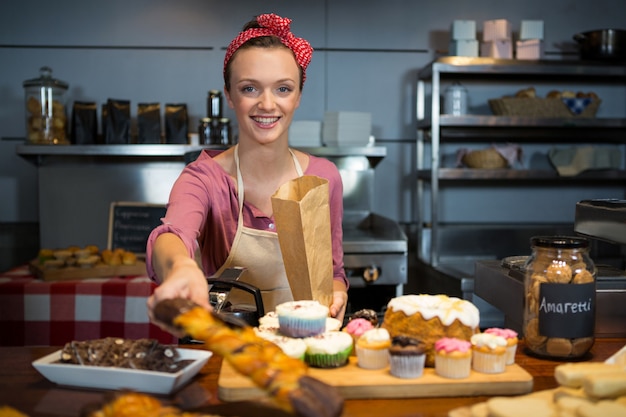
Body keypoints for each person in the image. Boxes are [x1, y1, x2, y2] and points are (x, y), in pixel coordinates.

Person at [146, 13, 349, 326]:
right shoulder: (204, 179)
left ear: (298, 97)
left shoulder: (324, 178)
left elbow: (334, 273)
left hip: (303, 352)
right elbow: (173, 235)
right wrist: (180, 268)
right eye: (250, 89)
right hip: (226, 357)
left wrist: (336, 293)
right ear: (229, 95)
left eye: (283, 89)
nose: (267, 105)